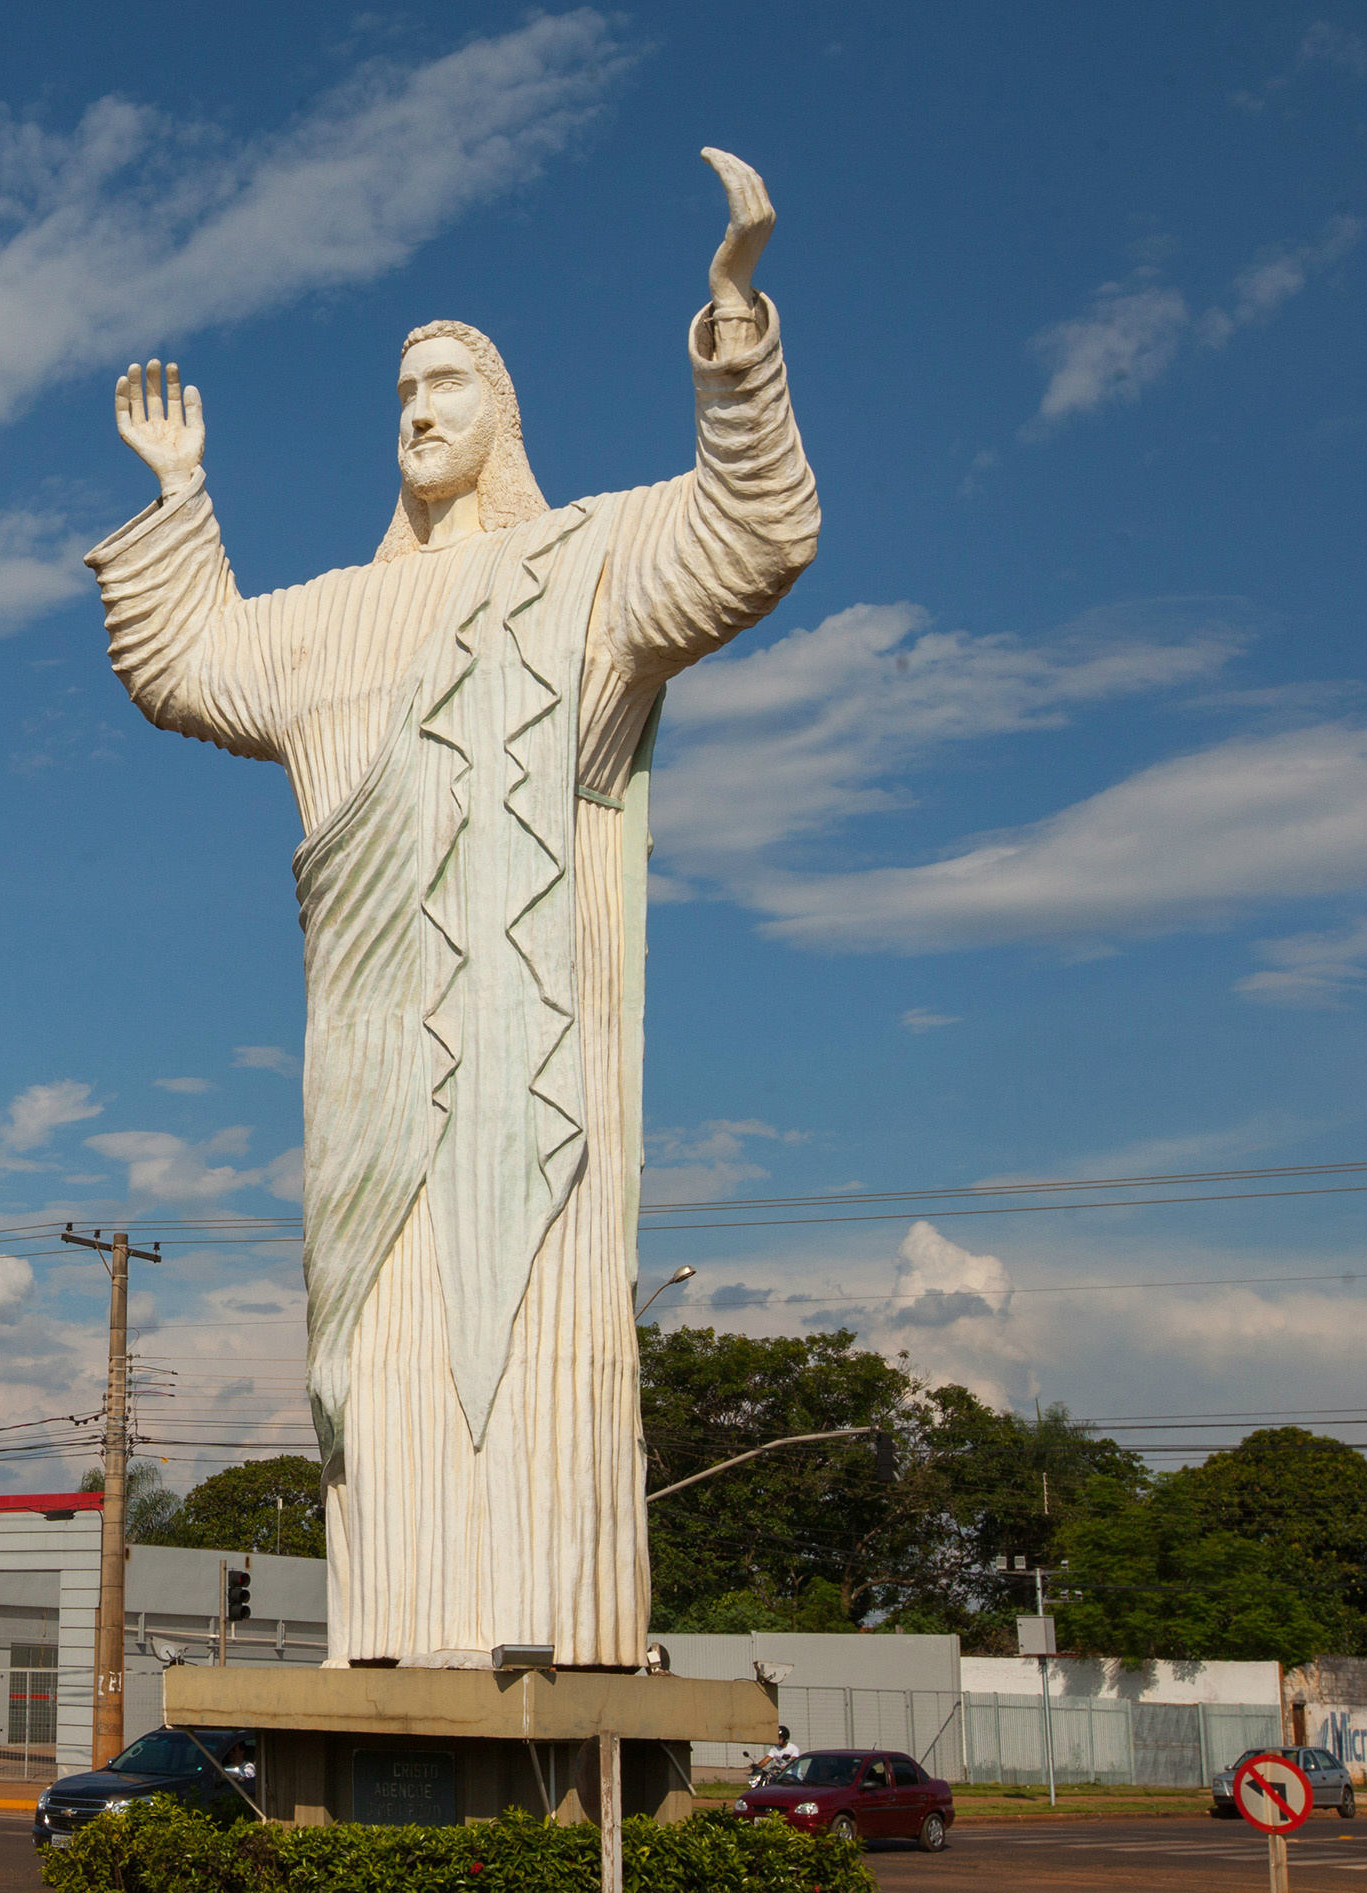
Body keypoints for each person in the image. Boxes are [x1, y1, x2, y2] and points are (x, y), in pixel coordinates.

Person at [90, 149, 819, 1668]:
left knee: (539, 1340)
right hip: (364, 1091)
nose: (417, 410)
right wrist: (181, 498)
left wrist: (733, 331)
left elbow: (749, 537)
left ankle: (552, 1636)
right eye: (401, 393)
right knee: (381, 1352)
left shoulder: (584, 565)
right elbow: (186, 663)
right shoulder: (332, 620)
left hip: (526, 1078)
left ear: (503, 421)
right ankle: (391, 1639)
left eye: (447, 386)